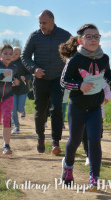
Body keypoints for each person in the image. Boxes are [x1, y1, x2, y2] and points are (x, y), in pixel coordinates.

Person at [60, 24, 111, 189]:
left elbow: (107, 72)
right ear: (80, 40)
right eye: (89, 36)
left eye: (96, 36)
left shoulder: (104, 58)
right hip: (77, 106)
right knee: (75, 140)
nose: (93, 39)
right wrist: (79, 85)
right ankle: (68, 167)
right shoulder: (74, 60)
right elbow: (64, 81)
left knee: (95, 140)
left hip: (95, 106)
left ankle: (94, 177)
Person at [21, 9, 71, 154]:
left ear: (52, 22)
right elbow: (25, 56)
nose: (41, 25)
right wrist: (34, 69)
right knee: (40, 110)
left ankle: (56, 142)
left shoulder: (65, 35)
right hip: (40, 79)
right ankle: (41, 137)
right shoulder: (34, 37)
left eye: (44, 23)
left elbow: (74, 53)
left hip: (58, 78)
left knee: (56, 109)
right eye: (40, 23)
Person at [11, 46, 33, 134]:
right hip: (12, 89)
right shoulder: (8, 63)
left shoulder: (23, 63)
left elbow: (31, 74)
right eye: (12, 53)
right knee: (13, 109)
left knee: (19, 108)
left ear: (20, 55)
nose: (14, 55)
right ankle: (17, 127)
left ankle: (22, 111)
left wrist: (25, 77)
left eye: (16, 54)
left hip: (23, 89)